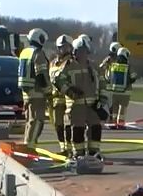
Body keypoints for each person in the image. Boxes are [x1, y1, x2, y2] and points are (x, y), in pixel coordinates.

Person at [50, 36, 103, 164]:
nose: (83, 54)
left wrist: (103, 99)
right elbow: (56, 79)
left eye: (85, 51)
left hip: (93, 105)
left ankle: (93, 153)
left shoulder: (93, 66)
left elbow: (102, 83)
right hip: (76, 105)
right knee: (77, 130)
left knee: (95, 128)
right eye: (81, 51)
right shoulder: (69, 66)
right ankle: (78, 155)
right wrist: (69, 91)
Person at [17, 28, 51, 145]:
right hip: (37, 92)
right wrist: (48, 91)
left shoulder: (24, 52)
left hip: (26, 92)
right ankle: (30, 146)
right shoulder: (38, 53)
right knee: (37, 120)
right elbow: (41, 74)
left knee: (29, 120)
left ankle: (27, 143)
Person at [103, 45, 133, 126]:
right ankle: (120, 124)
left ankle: (113, 123)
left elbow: (107, 77)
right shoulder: (128, 66)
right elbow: (133, 76)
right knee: (122, 109)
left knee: (114, 109)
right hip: (125, 92)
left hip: (114, 92)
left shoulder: (113, 66)